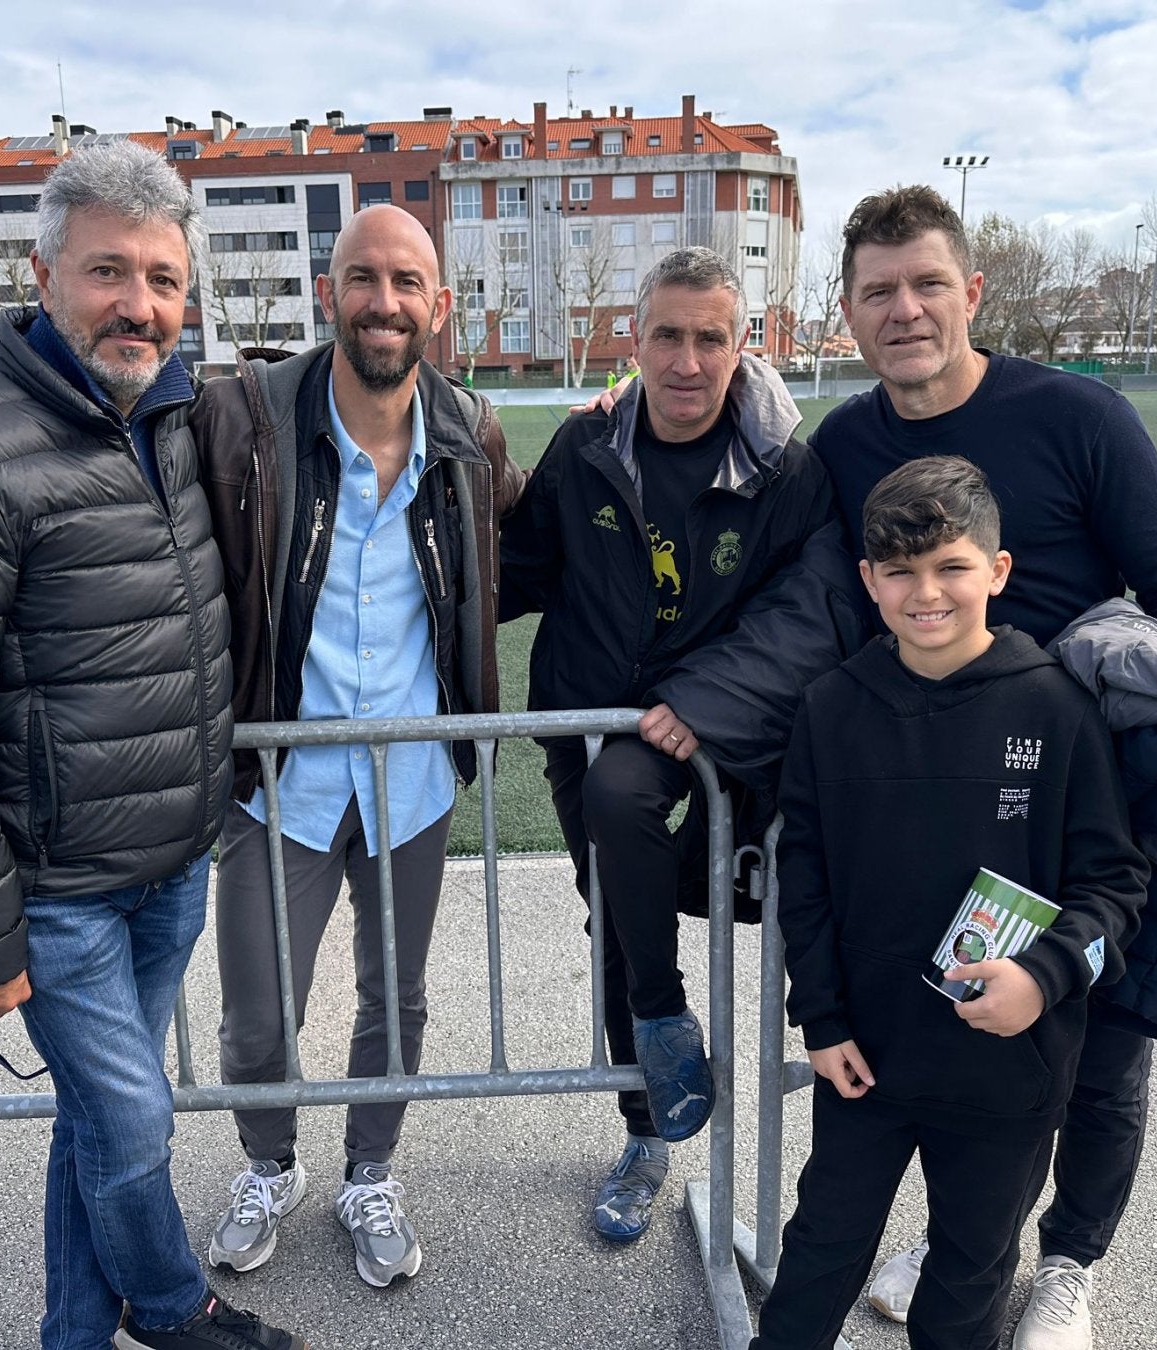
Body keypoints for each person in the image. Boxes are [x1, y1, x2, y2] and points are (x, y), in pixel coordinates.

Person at [0, 140, 301, 1350]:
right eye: (109, 271)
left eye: (162, 278)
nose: (139, 303)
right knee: (136, 1121)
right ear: (41, 273)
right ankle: (170, 1305)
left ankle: (71, 1329)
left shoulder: (168, 419)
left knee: (102, 1121)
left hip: (168, 868)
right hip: (55, 893)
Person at [815, 186, 1157, 1350]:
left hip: (1080, 794)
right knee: (956, 1031)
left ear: (971, 293)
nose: (905, 310)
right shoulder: (843, 443)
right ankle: (969, 1242)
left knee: (1101, 1039)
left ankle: (1071, 1264)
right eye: (880, 291)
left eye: (927, 283)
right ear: (847, 311)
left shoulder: (1080, 416)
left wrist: (1106, 742)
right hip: (937, 814)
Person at [189, 204, 524, 1290]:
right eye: (363, 278)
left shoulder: (472, 432)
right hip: (277, 780)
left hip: (410, 780)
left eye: (407, 282)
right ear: (329, 292)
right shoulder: (241, 417)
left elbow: (529, 544)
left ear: (440, 304)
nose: (385, 302)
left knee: (398, 996)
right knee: (256, 1010)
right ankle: (267, 1163)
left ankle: (370, 1172)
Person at [752, 455, 1147, 1350]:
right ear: (869, 580)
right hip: (867, 1057)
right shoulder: (830, 708)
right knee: (819, 1251)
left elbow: (1116, 887)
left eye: (950, 568)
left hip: (1008, 1069)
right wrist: (818, 1019)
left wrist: (1045, 979)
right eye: (900, 571)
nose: (925, 592)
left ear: (997, 572)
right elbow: (803, 882)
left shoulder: (1057, 709)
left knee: (969, 1274)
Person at [499, 245, 848, 1244]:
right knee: (614, 912)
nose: (688, 361)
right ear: (634, 339)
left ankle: (661, 1016)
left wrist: (706, 700)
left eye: (710, 337)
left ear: (745, 343)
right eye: (668, 335)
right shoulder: (586, 447)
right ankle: (648, 1131)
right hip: (589, 715)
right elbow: (520, 570)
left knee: (627, 808)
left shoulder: (786, 467)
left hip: (706, 728)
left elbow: (810, 610)